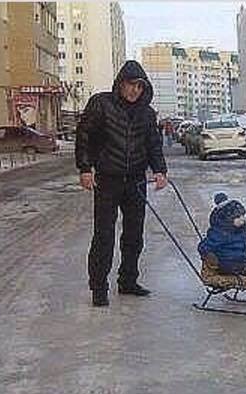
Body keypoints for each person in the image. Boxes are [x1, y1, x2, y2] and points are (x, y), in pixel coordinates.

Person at [76, 60, 168, 307]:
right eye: (130, 85)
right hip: (107, 179)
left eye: (139, 86)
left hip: (136, 181)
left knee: (134, 235)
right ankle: (99, 287)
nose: (134, 91)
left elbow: (153, 144)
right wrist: (85, 168)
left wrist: (160, 170)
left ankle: (128, 281)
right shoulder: (101, 104)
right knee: (104, 234)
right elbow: (84, 136)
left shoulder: (147, 113)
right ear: (120, 84)